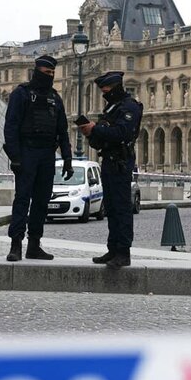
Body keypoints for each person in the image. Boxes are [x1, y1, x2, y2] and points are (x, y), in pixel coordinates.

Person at [3, 54, 73, 261]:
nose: (50, 76)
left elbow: (63, 131)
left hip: (47, 155)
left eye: (52, 73)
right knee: (22, 199)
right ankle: (16, 244)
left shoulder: (55, 97)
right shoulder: (21, 94)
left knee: (42, 201)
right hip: (27, 152)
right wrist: (15, 157)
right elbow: (11, 126)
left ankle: (34, 244)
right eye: (46, 72)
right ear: (37, 71)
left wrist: (67, 159)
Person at [78, 71, 143, 269]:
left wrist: (96, 128)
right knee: (111, 207)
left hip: (121, 161)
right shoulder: (113, 107)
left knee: (122, 208)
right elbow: (103, 140)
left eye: (106, 90)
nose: (104, 93)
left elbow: (122, 133)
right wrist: (90, 133)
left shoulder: (130, 107)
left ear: (116, 86)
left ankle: (123, 252)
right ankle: (113, 248)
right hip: (109, 160)